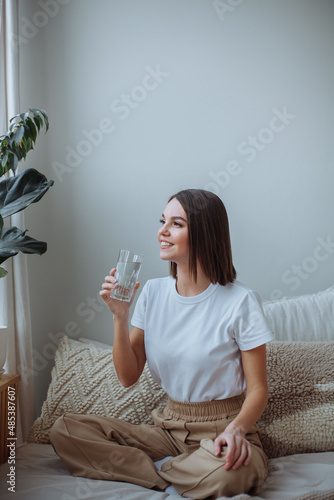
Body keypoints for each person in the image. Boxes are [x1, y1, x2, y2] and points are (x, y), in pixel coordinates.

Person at [50, 189, 274, 499]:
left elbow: (259, 390)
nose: (162, 231)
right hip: (168, 430)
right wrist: (119, 316)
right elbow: (128, 377)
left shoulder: (240, 301)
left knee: (234, 474)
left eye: (176, 224)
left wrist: (236, 430)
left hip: (223, 430)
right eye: (162, 221)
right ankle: (182, 471)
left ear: (205, 233)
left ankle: (162, 471)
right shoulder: (153, 293)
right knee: (65, 430)